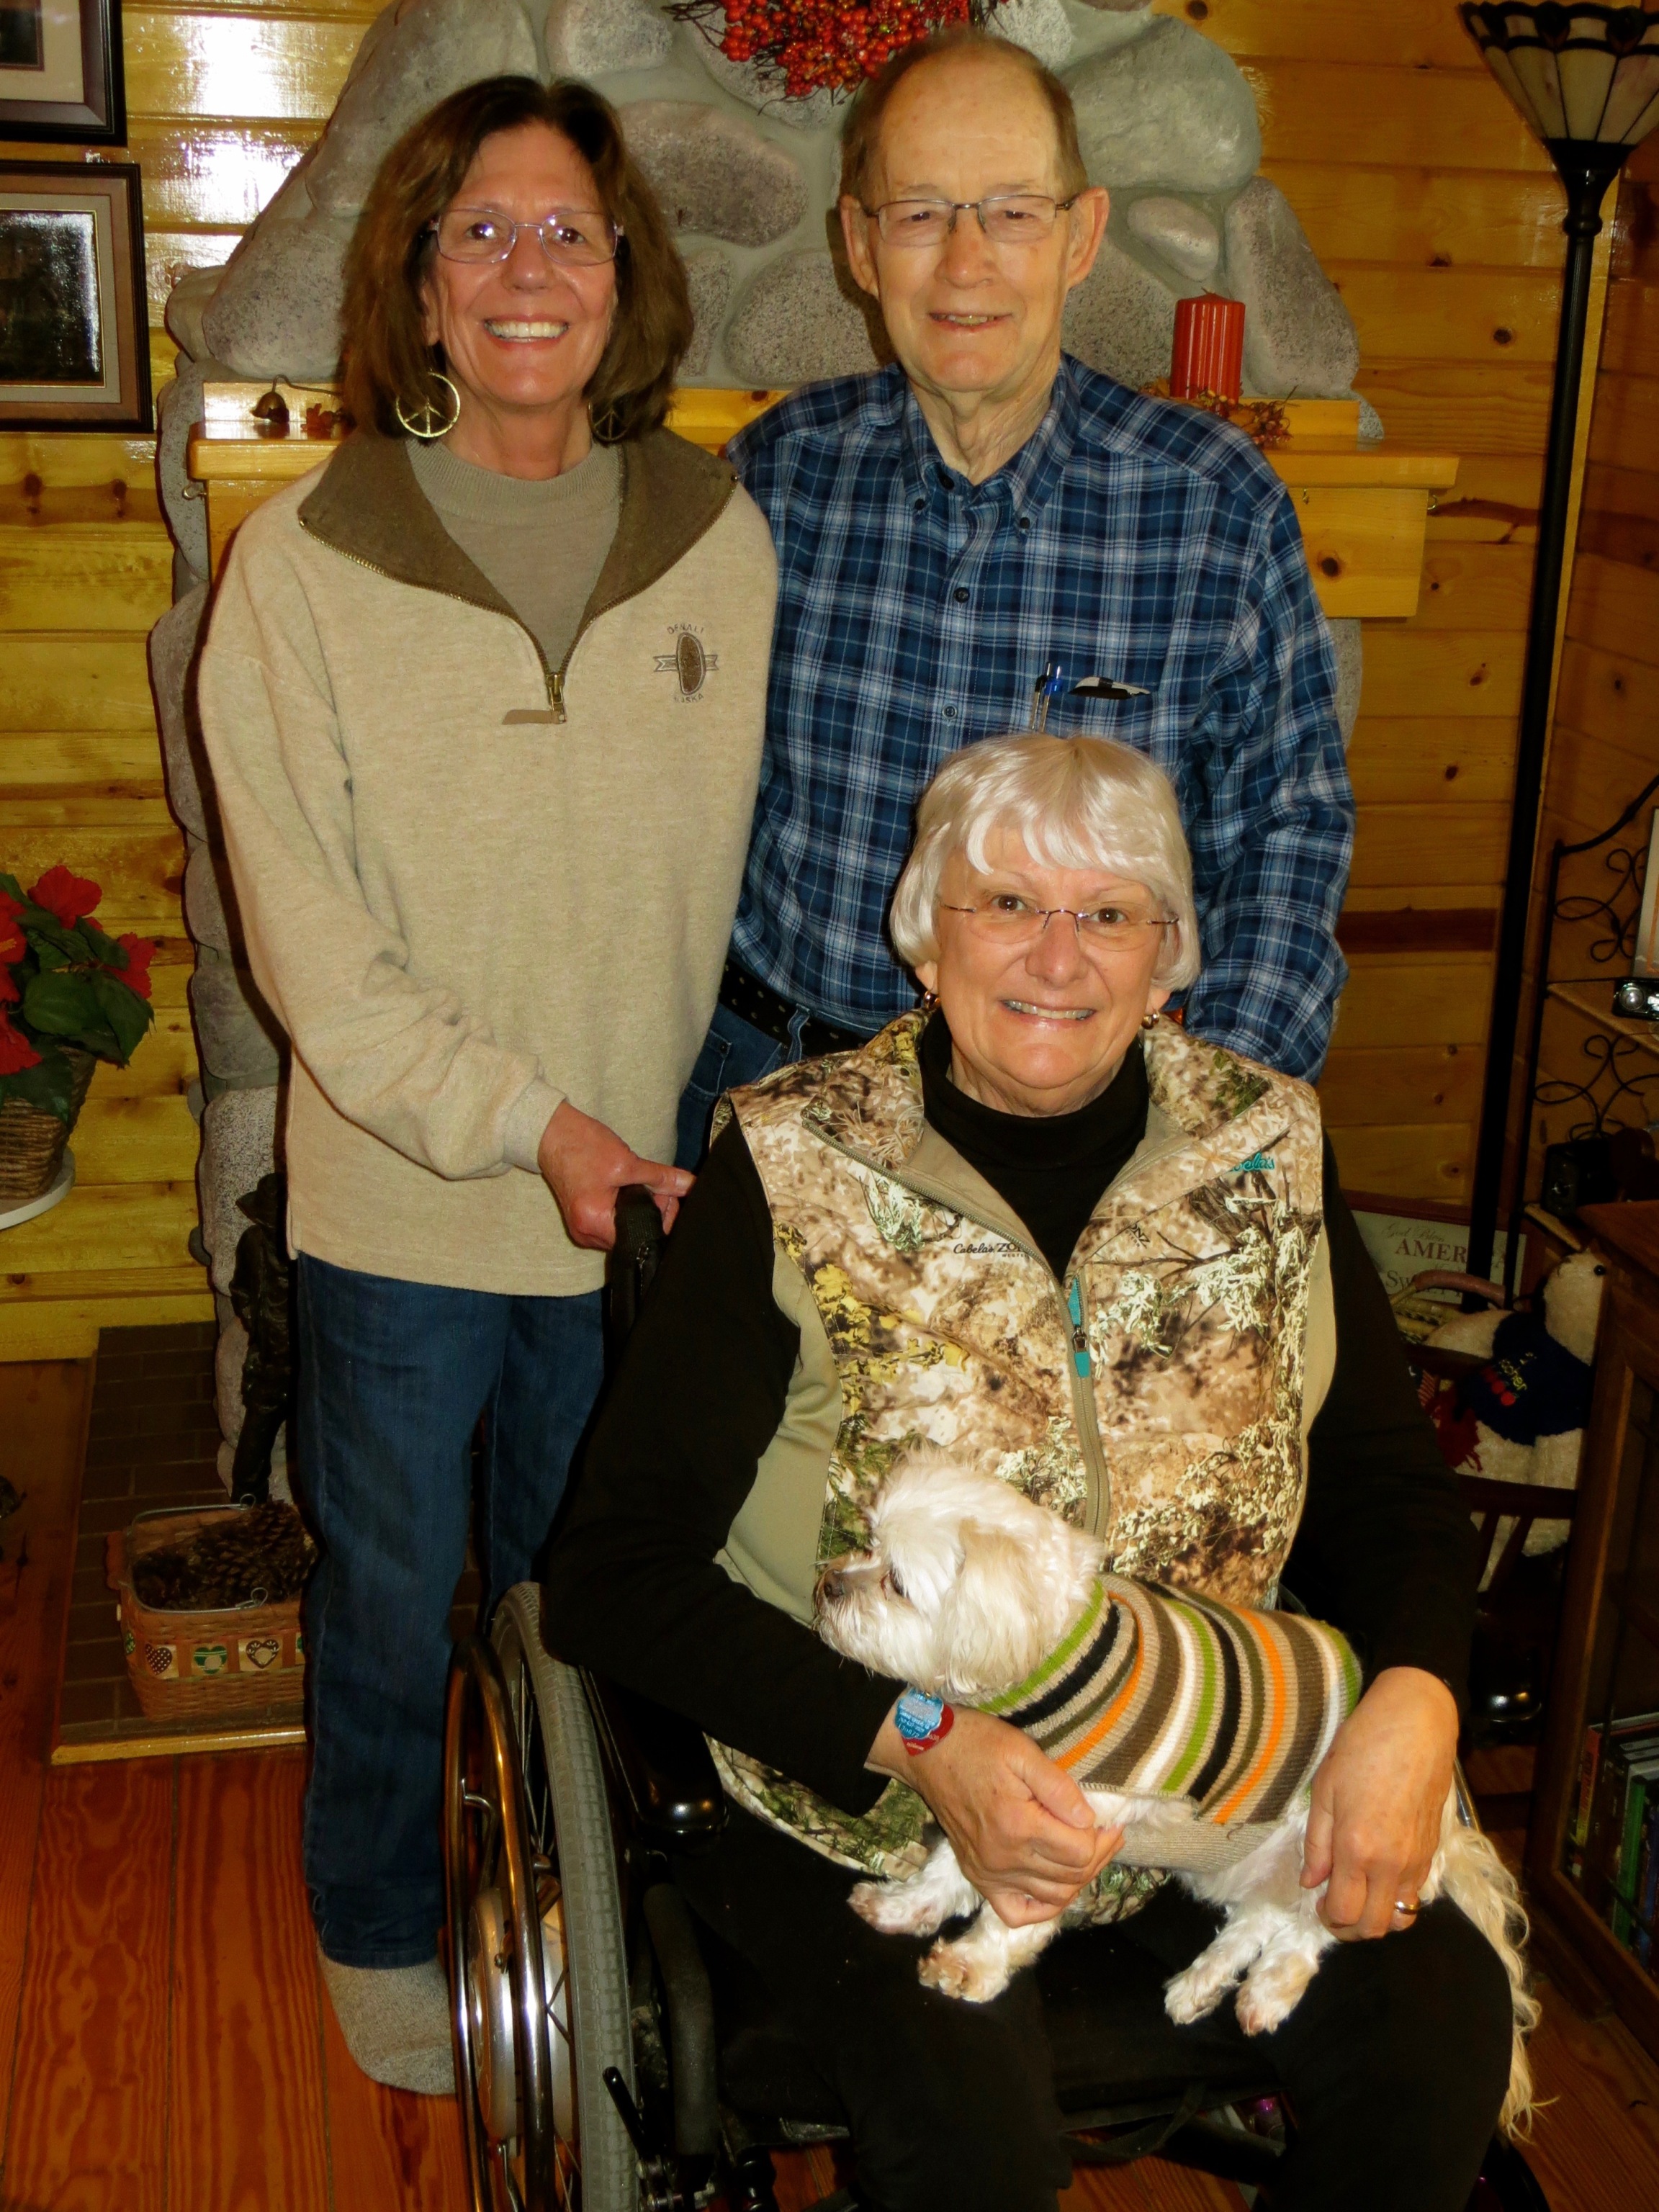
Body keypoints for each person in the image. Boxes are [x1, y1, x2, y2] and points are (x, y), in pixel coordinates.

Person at [549, 732, 1512, 2212]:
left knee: (1440, 2034)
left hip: (1211, 1779)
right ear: (927, 937)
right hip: (871, 1806)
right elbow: (612, 1578)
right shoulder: (794, 1164)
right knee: (978, 2154)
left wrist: (1415, 1701)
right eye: (1005, 904)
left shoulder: (1267, 1152)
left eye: (1110, 913)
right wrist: (925, 1739)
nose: (1057, 957)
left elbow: (1388, 1487)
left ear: (1166, 957)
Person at [197, 74, 776, 2092]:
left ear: (627, 280)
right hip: (415, 1205)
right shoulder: (306, 565)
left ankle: (577, 1917)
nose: (529, 268)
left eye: (570, 233)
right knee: (387, 1601)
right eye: (483, 232)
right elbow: (319, 970)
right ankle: (375, 1928)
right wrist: (536, 1129)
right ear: (421, 287)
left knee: (584, 1600)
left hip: (637, 1214)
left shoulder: (722, 539)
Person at [677, 25, 1353, 1168]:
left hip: (1075, 1126)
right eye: (922, 212)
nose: (965, 262)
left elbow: (1291, 835)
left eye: (1012, 211)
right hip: (776, 1092)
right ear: (859, 243)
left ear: (1082, 236)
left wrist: (1197, 1123)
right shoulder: (773, 480)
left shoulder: (1213, 508)